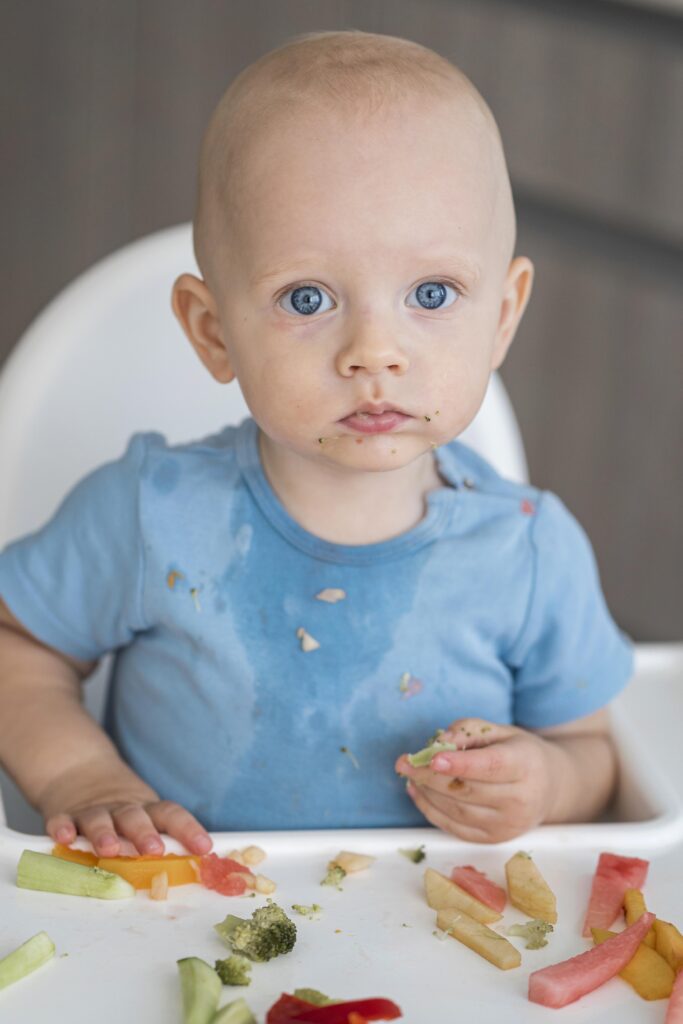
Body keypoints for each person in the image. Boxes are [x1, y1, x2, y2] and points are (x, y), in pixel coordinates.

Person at [0, 30, 632, 858]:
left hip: (428, 921)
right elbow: (18, 649)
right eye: (307, 298)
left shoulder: (531, 552)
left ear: (502, 317)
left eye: (431, 293)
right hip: (176, 905)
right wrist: (84, 779)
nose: (374, 352)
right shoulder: (149, 514)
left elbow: (594, 754)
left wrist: (546, 783)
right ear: (213, 331)